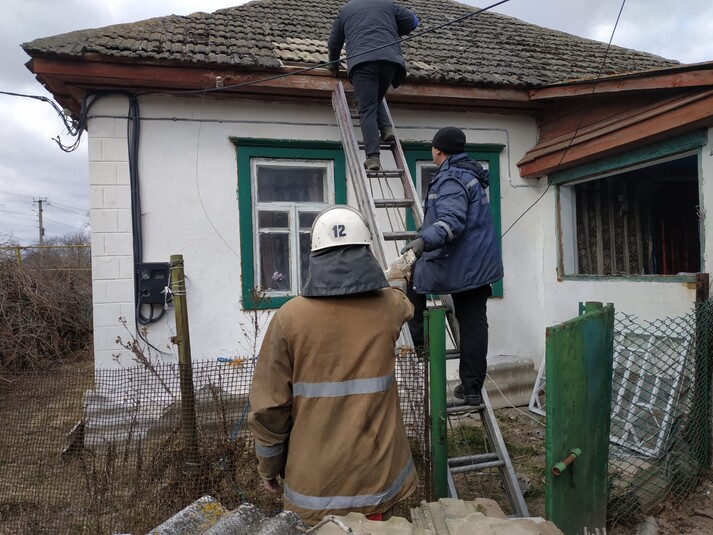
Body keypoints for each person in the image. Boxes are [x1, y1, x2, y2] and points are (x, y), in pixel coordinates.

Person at [248, 205, 417, 525]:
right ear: (366, 252)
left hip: (314, 492)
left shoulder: (289, 318)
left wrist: (269, 468)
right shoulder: (389, 308)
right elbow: (400, 297)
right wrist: (397, 275)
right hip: (376, 483)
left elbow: (269, 410)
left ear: (314, 256)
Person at [402, 126, 503, 407]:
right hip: (479, 265)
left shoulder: (450, 179)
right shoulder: (471, 174)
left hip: (459, 263)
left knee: (413, 280)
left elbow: (450, 222)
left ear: (438, 150)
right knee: (473, 324)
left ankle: (420, 349)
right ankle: (472, 389)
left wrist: (422, 242)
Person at [328, 0, 419, 171]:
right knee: (375, 97)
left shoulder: (346, 10)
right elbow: (413, 21)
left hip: (363, 64)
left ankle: (373, 157)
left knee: (367, 109)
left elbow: (334, 42)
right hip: (390, 63)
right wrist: (392, 31)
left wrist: (333, 64)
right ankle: (386, 128)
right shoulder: (387, 4)